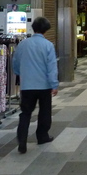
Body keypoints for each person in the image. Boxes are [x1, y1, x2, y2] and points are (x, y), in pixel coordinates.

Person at [13, 16, 59, 154]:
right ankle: (42, 136)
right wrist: (54, 84)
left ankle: (22, 140)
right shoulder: (48, 45)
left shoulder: (22, 44)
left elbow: (15, 63)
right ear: (46, 30)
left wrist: (20, 74)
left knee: (25, 113)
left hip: (27, 85)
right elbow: (52, 67)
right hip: (44, 85)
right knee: (45, 111)